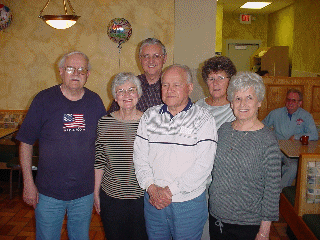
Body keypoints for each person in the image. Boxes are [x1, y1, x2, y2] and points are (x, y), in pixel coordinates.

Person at [16, 51, 106, 240]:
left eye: (81, 70)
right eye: (70, 68)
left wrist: (99, 189)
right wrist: (28, 183)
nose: (76, 73)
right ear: (61, 71)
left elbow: (103, 145)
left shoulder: (95, 102)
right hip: (48, 194)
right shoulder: (43, 100)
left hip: (84, 193)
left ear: (88, 74)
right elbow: (26, 142)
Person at [134, 64, 218, 239]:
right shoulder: (149, 116)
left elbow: (203, 166)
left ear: (190, 87)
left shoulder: (204, 119)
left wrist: (168, 191)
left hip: (188, 204)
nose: (169, 90)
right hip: (153, 202)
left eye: (176, 85)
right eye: (165, 85)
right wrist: (151, 187)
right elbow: (139, 158)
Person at [208, 72, 282, 240]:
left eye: (249, 97)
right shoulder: (223, 131)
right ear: (231, 103)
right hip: (217, 220)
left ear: (259, 102)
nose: (242, 104)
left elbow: (272, 190)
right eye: (238, 98)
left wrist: (264, 232)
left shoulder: (267, 140)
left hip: (248, 226)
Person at [94, 72, 148, 240]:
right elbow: (100, 160)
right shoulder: (104, 123)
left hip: (141, 198)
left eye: (131, 90)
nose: (126, 95)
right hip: (111, 197)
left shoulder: (149, 122)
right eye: (121, 91)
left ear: (138, 94)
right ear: (115, 97)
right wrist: (96, 192)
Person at [196, 56, 237, 240]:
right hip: (200, 181)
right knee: (203, 229)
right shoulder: (198, 107)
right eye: (211, 78)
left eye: (221, 77)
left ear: (230, 81)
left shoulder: (237, 108)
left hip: (226, 182)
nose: (216, 83)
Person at [263, 88, 318, 188]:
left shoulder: (306, 116)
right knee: (267, 163)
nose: (290, 103)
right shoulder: (276, 113)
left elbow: (314, 135)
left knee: (293, 167)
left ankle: (280, 193)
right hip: (277, 149)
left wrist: (296, 137)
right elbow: (262, 127)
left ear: (300, 103)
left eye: (294, 100)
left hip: (294, 152)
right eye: (288, 99)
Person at [107, 38, 167, 113]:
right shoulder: (129, 85)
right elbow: (112, 117)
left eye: (156, 56)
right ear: (140, 59)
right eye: (146, 56)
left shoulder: (172, 87)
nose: (151, 61)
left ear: (164, 58)